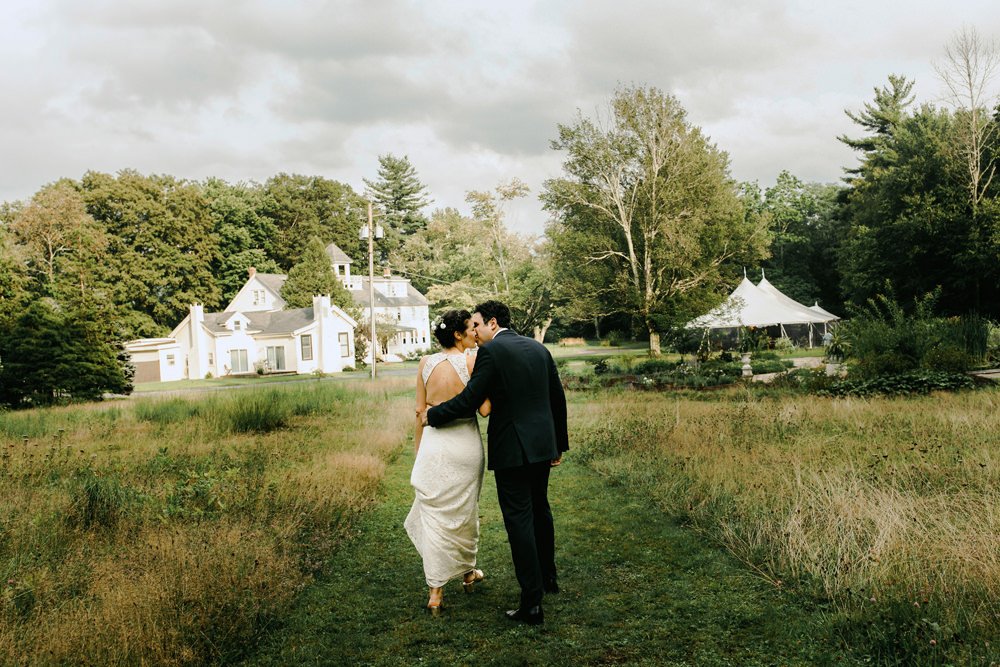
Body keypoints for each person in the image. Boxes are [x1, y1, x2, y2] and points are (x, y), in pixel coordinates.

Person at [423, 300, 568, 626]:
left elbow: (470, 399)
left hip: (513, 450)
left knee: (519, 520)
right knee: (540, 510)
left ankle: (532, 605)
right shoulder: (537, 348)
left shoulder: (492, 352)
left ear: (491, 323)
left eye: (476, 324)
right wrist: (559, 443)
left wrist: (433, 415)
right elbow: (556, 397)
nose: (473, 330)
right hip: (543, 446)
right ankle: (548, 578)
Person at [405, 309, 491, 616]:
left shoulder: (425, 363)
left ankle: (436, 593)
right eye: (470, 328)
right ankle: (468, 573)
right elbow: (485, 408)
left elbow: (419, 412)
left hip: (433, 445)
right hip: (465, 446)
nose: (474, 333)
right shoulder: (472, 361)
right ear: (457, 334)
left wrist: (418, 452)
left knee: (435, 516)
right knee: (465, 512)